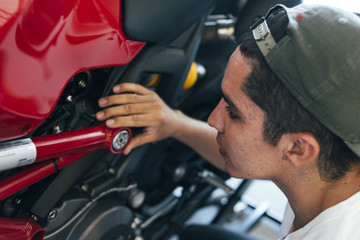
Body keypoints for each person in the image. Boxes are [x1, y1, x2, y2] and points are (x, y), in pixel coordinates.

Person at [96, 3, 360, 239]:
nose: (213, 119)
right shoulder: (328, 170)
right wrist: (175, 124)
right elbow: (255, 152)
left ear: (298, 149)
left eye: (234, 113)